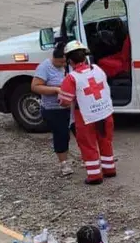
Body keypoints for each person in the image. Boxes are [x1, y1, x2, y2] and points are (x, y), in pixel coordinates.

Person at [58, 41, 116, 186]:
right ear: (85, 57)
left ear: (69, 60)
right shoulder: (97, 69)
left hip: (86, 117)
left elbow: (65, 101)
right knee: (105, 140)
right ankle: (109, 169)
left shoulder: (71, 78)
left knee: (88, 145)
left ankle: (95, 175)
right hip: (105, 112)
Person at [32, 42, 74, 177]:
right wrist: (55, 90)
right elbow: (36, 87)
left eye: (64, 62)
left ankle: (88, 158)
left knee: (79, 132)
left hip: (70, 107)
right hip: (53, 109)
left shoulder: (67, 65)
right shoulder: (44, 67)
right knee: (61, 135)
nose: (62, 64)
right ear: (54, 58)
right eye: (60, 62)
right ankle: (64, 164)